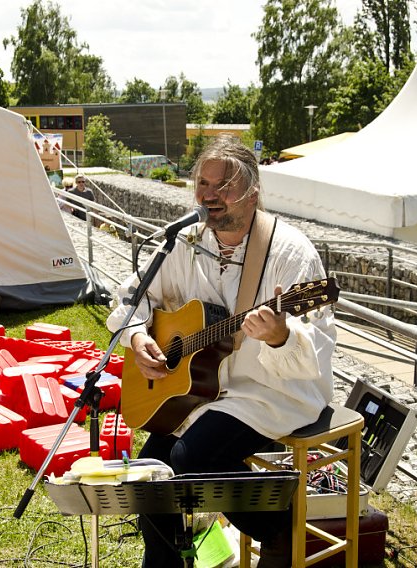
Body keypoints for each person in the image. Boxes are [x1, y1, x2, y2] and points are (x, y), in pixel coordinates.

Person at [105, 134, 336, 568]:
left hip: (270, 390)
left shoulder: (290, 253)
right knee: (149, 475)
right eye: (202, 185)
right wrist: (139, 337)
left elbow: (315, 350)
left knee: (194, 458)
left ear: (253, 192)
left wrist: (279, 336)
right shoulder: (186, 241)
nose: (209, 196)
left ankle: (284, 535)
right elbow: (133, 298)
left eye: (223, 185)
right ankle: (164, 562)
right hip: (201, 392)